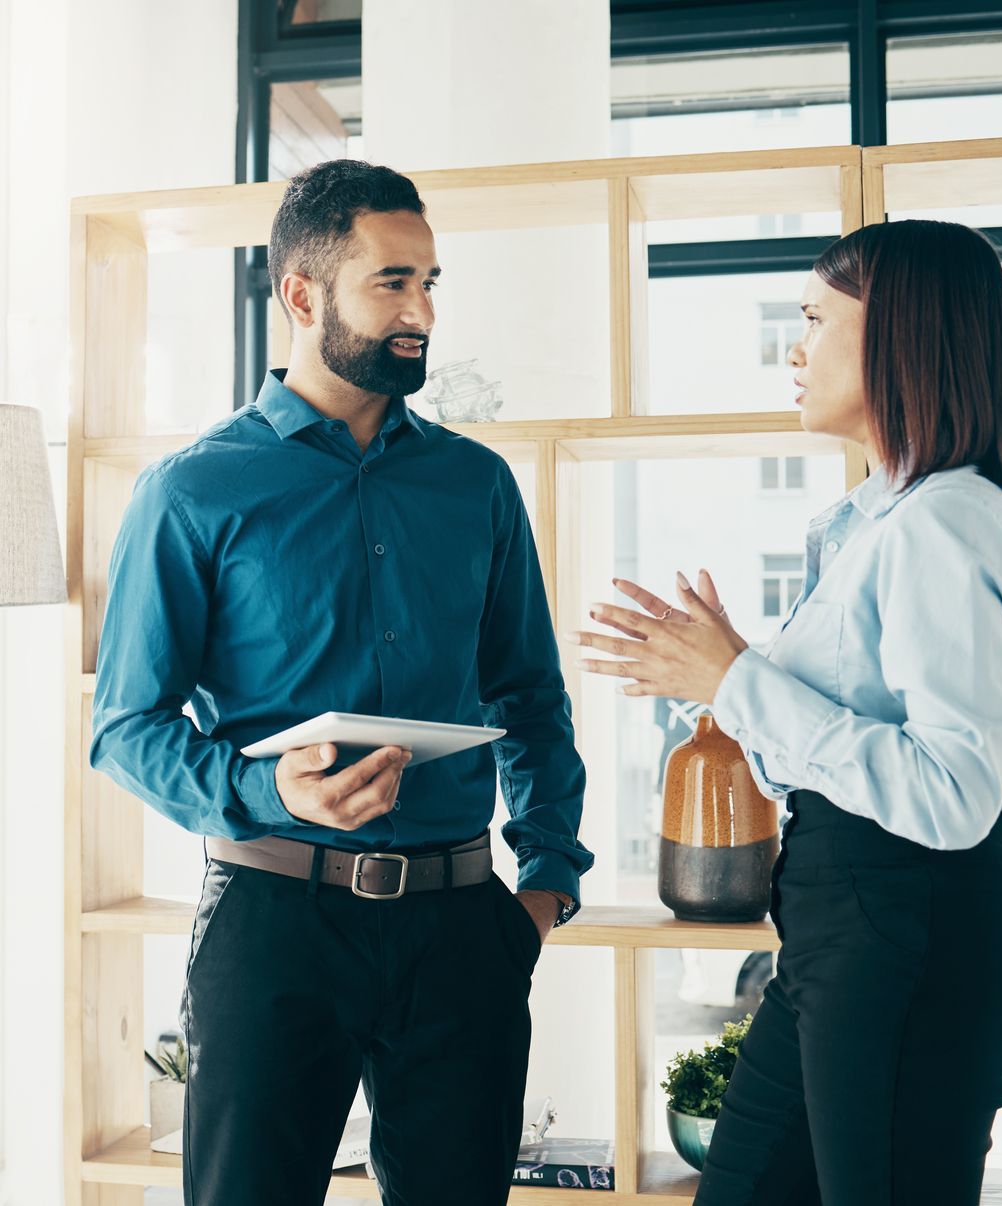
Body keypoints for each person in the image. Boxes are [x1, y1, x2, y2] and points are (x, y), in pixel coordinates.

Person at [90, 158, 592, 1206]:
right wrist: (275, 793)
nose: (421, 313)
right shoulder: (193, 491)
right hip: (276, 924)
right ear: (303, 294)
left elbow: (531, 699)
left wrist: (543, 884)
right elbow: (126, 726)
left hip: (463, 932)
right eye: (393, 283)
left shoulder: (477, 485)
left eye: (431, 284)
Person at [573, 218, 1002, 1204]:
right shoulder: (882, 521)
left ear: (900, 337)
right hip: (855, 930)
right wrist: (731, 681)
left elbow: (951, 792)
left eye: (811, 319)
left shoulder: (938, 525)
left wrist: (736, 682)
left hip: (913, 926)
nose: (792, 349)